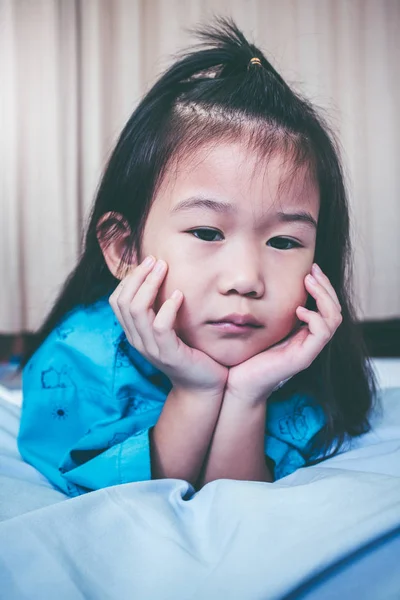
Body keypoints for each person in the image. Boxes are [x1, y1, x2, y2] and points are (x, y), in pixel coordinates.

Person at [18, 18, 376, 497]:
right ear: (124, 249)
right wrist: (196, 390)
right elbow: (128, 507)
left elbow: (233, 507)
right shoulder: (72, 363)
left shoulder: (309, 366)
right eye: (207, 232)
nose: (246, 279)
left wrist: (247, 394)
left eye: (285, 242)